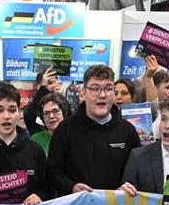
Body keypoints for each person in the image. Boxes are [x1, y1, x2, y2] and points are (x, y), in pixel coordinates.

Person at [48, 64, 141, 196]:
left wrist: (128, 185)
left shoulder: (128, 131)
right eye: (95, 89)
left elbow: (137, 171)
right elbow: (53, 172)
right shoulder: (65, 129)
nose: (102, 95)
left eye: (108, 89)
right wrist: (72, 187)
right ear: (83, 93)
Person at [23, 67, 63, 136]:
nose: (53, 86)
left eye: (55, 83)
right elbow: (29, 120)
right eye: (50, 83)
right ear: (39, 86)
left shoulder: (63, 106)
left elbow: (70, 124)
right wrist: (44, 89)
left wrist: (60, 97)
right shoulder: (29, 109)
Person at [29, 92, 69, 156]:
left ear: (63, 113)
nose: (51, 116)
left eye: (55, 111)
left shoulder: (74, 137)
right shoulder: (34, 140)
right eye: (46, 113)